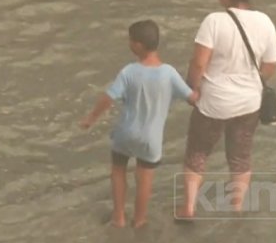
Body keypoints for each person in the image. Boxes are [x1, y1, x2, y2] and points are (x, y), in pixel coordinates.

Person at [178, 0, 276, 220]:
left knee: (198, 153)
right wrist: (252, 82)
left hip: (213, 102)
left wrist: (193, 88)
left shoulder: (214, 21)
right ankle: (236, 207)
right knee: (240, 156)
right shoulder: (265, 21)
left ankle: (188, 208)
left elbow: (199, 63)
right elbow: (270, 64)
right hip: (248, 103)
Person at [81, 20, 196, 229]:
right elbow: (192, 98)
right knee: (144, 178)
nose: (129, 44)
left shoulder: (129, 72)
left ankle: (118, 217)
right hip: (150, 139)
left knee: (118, 170)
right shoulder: (169, 73)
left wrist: (91, 118)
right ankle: (140, 219)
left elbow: (109, 97)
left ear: (139, 46)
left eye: (131, 40)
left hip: (125, 132)